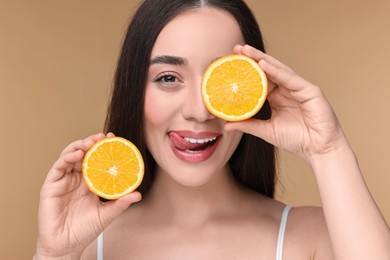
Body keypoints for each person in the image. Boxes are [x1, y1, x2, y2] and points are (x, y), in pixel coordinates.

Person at [34, 0, 390, 259]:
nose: (198, 111)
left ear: (254, 89)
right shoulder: (83, 245)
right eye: (169, 78)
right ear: (134, 91)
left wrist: (329, 150)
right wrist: (54, 255)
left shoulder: (309, 237)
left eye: (221, 80)